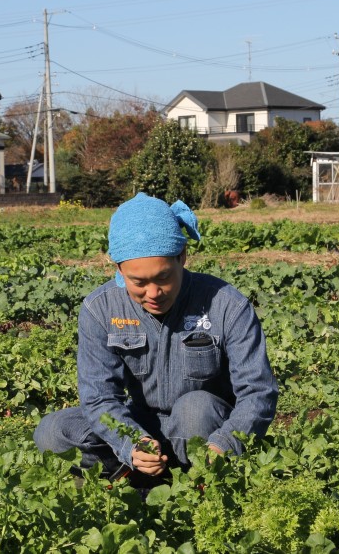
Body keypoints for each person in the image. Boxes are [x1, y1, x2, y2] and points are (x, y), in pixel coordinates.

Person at [34, 192, 278, 483]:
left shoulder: (226, 305)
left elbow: (258, 391)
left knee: (195, 408)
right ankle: (137, 471)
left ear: (182, 257)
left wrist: (225, 442)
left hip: (205, 430)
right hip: (141, 424)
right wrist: (133, 442)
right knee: (53, 431)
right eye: (138, 282)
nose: (153, 293)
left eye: (163, 277)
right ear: (119, 269)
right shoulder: (100, 309)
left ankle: (199, 480)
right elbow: (99, 397)